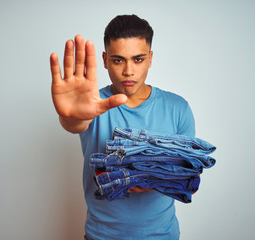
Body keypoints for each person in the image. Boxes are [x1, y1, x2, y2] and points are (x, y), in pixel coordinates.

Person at [50, 14, 195, 240]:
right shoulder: (91, 104)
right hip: (101, 236)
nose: (129, 71)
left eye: (138, 59)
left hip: (162, 235)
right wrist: (70, 115)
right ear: (105, 59)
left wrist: (152, 174)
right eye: (118, 60)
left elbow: (187, 172)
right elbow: (75, 123)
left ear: (150, 58)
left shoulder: (178, 108)